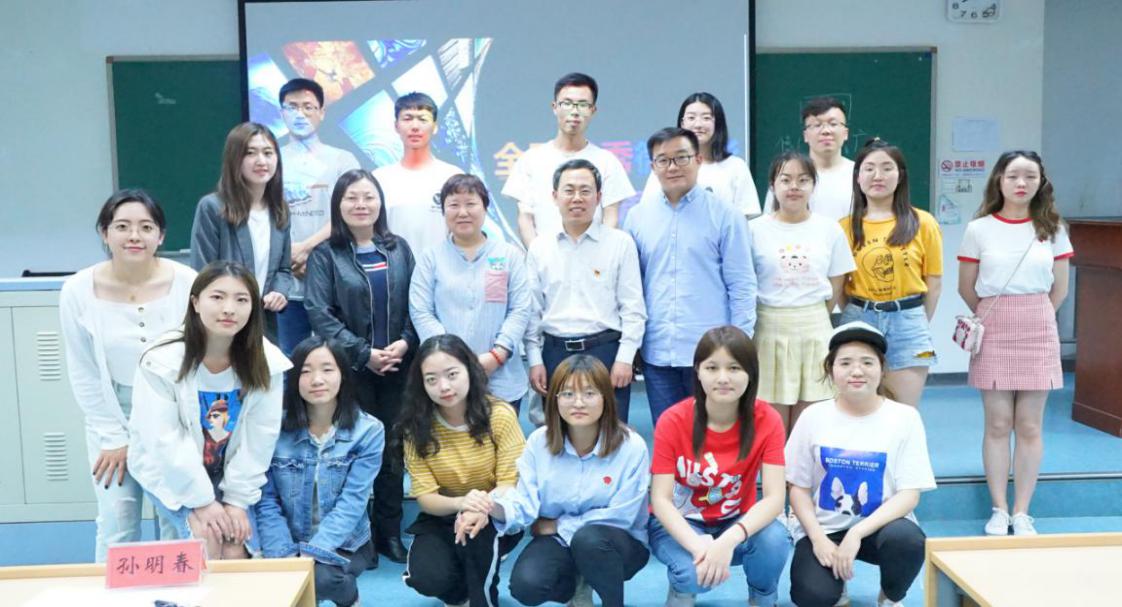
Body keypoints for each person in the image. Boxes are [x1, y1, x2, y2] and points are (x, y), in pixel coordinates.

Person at [59, 189, 197, 562]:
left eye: (145, 227)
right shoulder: (77, 290)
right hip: (113, 412)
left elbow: (198, 357)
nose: (134, 236)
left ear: (161, 235)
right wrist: (112, 436)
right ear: (105, 233)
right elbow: (84, 370)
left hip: (173, 413)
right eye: (122, 226)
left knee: (177, 519)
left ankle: (178, 593)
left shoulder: (187, 282)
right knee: (117, 523)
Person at [127, 261, 292, 560]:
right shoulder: (161, 360)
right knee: (209, 540)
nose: (229, 309)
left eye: (241, 300)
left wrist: (237, 502)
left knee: (235, 548)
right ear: (195, 303)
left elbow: (260, 438)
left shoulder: (268, 362)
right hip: (169, 470)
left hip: (228, 472)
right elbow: (165, 443)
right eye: (217, 297)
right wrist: (203, 502)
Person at [456, 355, 648, 607]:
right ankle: (578, 585)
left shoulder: (631, 446)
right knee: (526, 586)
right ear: (555, 399)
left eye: (589, 393)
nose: (578, 402)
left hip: (618, 542)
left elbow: (623, 515)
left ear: (606, 397)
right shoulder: (539, 442)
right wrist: (488, 506)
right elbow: (524, 501)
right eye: (567, 394)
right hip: (560, 541)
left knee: (589, 541)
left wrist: (558, 525)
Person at [957, 151, 1073, 536]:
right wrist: (995, 314)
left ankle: (1022, 511)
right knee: (998, 423)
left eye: (1030, 176)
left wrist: (1035, 315)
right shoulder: (979, 229)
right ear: (999, 180)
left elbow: (1060, 289)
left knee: (1029, 425)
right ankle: (999, 508)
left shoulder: (1053, 228)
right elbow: (966, 287)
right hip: (994, 325)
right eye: (1013, 176)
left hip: (1039, 324)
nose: (1021, 183)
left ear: (1041, 182)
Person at [304, 169, 417, 563]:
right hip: (349, 372)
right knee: (348, 454)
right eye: (351, 197)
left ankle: (389, 533)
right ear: (338, 205)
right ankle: (355, 537)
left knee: (393, 451)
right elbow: (320, 313)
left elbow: (416, 302)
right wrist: (364, 353)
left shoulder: (398, 248)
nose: (361, 205)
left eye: (368, 197)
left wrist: (405, 341)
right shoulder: (325, 255)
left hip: (399, 368)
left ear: (380, 203)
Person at [786, 322, 935, 607]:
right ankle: (835, 584)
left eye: (867, 362)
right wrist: (817, 538)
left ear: (882, 368)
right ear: (831, 369)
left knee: (907, 541)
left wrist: (856, 532)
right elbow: (798, 488)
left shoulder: (904, 418)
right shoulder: (813, 416)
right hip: (825, 529)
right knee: (812, 596)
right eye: (845, 363)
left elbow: (909, 495)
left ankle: (889, 596)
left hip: (881, 528)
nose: (856, 371)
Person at [648, 326, 789, 607]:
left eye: (734, 368)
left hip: (735, 520)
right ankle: (682, 590)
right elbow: (660, 500)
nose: (723, 378)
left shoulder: (768, 419)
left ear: (750, 373)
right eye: (712, 368)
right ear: (698, 371)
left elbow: (775, 499)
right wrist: (699, 546)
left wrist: (728, 540)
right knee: (692, 575)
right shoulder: (672, 420)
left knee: (775, 539)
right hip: (682, 522)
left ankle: (762, 597)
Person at [625, 127, 757, 423]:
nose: (673, 167)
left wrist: (739, 345)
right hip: (657, 353)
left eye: (681, 157)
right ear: (653, 167)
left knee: (714, 437)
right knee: (669, 435)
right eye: (663, 160)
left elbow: (742, 285)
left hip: (714, 353)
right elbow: (632, 288)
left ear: (698, 159)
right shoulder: (637, 217)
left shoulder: (725, 215)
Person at [253, 336, 383, 606]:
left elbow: (353, 502)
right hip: (288, 538)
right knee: (273, 581)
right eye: (306, 371)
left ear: (343, 375)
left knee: (322, 578)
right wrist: (282, 556)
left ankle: (349, 597)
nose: (317, 380)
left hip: (347, 542)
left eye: (327, 369)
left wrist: (312, 553)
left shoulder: (368, 431)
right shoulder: (273, 429)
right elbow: (266, 500)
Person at [399, 334, 527, 607]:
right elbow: (426, 497)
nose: (444, 386)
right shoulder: (415, 427)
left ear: (469, 370)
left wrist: (481, 507)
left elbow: (510, 482)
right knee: (427, 578)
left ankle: (482, 595)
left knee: (476, 542)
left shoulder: (500, 415)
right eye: (431, 379)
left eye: (452, 374)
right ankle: (459, 595)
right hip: (444, 513)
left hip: (494, 512)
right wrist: (462, 503)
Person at [525, 159, 646, 422]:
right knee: (559, 435)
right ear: (555, 196)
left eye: (585, 190)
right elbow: (532, 312)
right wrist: (535, 360)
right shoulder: (540, 247)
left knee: (610, 435)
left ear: (599, 197)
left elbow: (633, 308)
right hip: (555, 354)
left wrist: (625, 358)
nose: (577, 198)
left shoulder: (620, 243)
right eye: (569, 190)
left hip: (606, 352)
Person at [750, 152, 855, 432]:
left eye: (803, 180)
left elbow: (837, 281)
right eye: (785, 180)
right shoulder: (753, 230)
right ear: (772, 186)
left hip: (815, 330)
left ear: (813, 185)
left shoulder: (830, 229)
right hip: (768, 329)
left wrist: (814, 315)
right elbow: (746, 281)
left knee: (809, 426)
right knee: (772, 427)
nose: (794, 187)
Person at [410, 174, 532, 410]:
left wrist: (497, 355)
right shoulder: (430, 258)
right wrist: (451, 358)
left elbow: (520, 309)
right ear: (443, 211)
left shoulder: (509, 255)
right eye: (454, 205)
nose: (462, 212)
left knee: (502, 432)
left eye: (471, 204)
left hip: (501, 377)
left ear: (485, 208)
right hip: (446, 380)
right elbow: (421, 312)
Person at [839, 139, 943, 406]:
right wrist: (857, 309)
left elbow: (934, 283)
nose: (878, 176)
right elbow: (839, 288)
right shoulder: (844, 228)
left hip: (907, 320)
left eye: (887, 168)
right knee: (857, 407)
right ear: (858, 176)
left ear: (900, 176)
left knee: (903, 412)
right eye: (869, 168)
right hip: (859, 317)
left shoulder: (923, 222)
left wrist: (915, 319)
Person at [276, 78, 361, 355]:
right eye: (292, 107)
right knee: (292, 360)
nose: (300, 114)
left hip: (334, 277)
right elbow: (263, 215)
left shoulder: (343, 160)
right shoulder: (271, 160)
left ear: (322, 112)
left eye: (308, 106)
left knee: (340, 359)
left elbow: (349, 214)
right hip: (288, 282)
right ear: (281, 113)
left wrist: (308, 249)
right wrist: (288, 256)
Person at [503, 72, 635, 246]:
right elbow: (525, 219)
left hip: (593, 259)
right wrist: (539, 256)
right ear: (554, 107)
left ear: (593, 110)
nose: (574, 112)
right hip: (544, 258)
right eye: (567, 104)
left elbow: (611, 218)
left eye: (583, 105)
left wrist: (599, 255)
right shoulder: (530, 159)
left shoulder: (607, 161)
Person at [190, 122, 292, 341]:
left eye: (268, 153)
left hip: (263, 321)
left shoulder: (280, 210)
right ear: (234, 159)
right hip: (223, 320)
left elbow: (284, 270)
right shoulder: (213, 207)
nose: (261, 161)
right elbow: (203, 272)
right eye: (250, 153)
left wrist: (279, 291)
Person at [639, 92, 761, 217]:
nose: (698, 125)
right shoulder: (667, 166)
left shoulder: (736, 166)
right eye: (691, 118)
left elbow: (748, 216)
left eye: (706, 118)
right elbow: (647, 212)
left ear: (718, 123)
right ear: (682, 123)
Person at [374, 92, 465, 256]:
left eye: (423, 119)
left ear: (435, 127)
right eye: (407, 118)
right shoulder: (379, 178)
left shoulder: (452, 176)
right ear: (396, 126)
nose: (415, 126)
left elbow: (465, 231)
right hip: (393, 268)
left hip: (443, 268)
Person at [764, 97, 855, 222]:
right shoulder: (786, 176)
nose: (826, 131)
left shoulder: (861, 174)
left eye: (833, 124)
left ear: (845, 133)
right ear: (805, 135)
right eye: (817, 125)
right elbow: (769, 222)